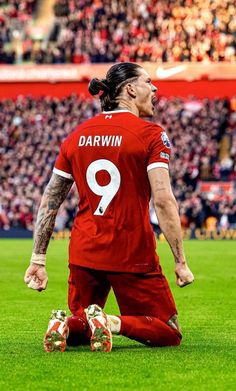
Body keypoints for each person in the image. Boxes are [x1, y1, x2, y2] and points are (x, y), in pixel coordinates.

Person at [24, 62, 194, 353]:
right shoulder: (151, 134)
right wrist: (179, 260)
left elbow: (51, 199)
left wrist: (38, 259)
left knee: (84, 324)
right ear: (129, 89)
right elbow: (163, 199)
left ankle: (66, 324)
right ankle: (111, 322)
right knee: (168, 331)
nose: (154, 89)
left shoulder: (76, 136)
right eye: (148, 82)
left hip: (84, 253)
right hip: (131, 252)